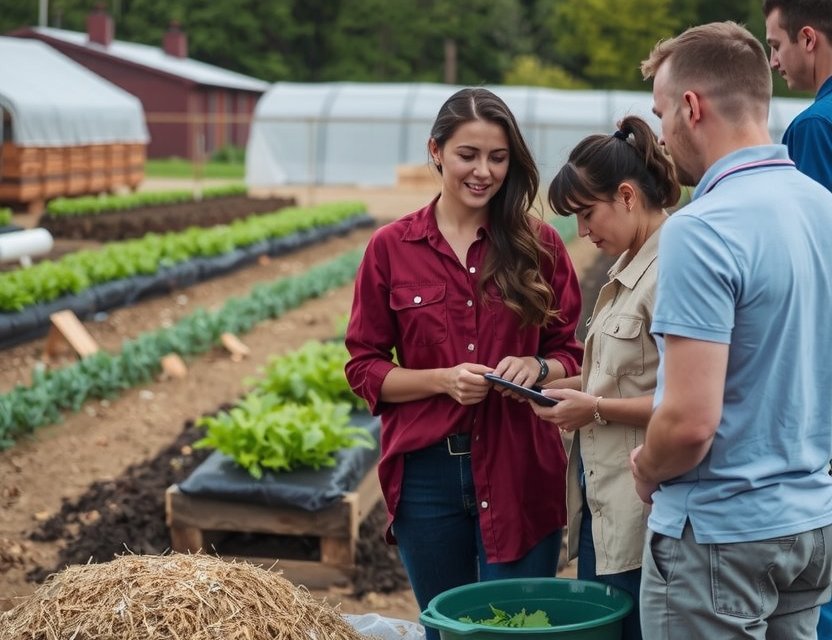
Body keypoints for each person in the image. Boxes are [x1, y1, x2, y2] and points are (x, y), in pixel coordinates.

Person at [344, 87, 583, 639]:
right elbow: (365, 366)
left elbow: (571, 351)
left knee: (519, 628)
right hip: (426, 474)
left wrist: (537, 368)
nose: (483, 171)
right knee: (450, 629)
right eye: (467, 155)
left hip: (520, 463)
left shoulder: (539, 245)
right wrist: (442, 381)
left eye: (498, 158)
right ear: (436, 152)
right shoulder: (390, 247)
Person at [630, 21, 832, 640]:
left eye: (661, 114)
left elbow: (690, 422)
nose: (660, 135)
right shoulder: (821, 206)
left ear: (692, 107)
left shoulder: (703, 227)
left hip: (719, 536)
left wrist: (646, 466)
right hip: (809, 525)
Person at [530, 115, 679, 640]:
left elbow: (689, 403)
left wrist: (591, 410)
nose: (583, 232)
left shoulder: (675, 268)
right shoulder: (627, 266)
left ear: (627, 196)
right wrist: (557, 388)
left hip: (645, 507)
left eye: (588, 215)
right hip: (605, 500)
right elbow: (621, 377)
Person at [764, 0, 832, 190]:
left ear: (808, 39)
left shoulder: (814, 125)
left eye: (776, 46)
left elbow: (812, 218)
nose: (773, 62)